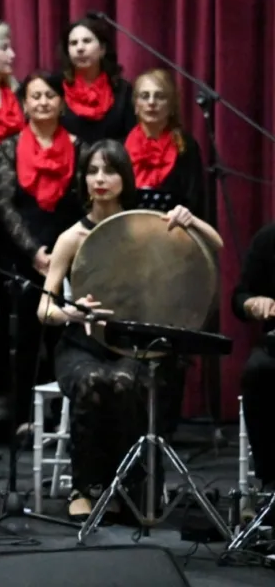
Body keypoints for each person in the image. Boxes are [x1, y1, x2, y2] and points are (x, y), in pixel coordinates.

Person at [37, 139, 221, 521]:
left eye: (110, 171)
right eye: (92, 171)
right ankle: (86, 487)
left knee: (123, 382)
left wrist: (191, 220)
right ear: (83, 180)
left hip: (133, 343)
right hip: (82, 345)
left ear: (125, 177)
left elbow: (215, 245)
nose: (100, 179)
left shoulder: (146, 227)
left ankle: (127, 487)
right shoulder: (71, 238)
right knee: (93, 382)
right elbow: (44, 308)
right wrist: (73, 314)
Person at [233, 220, 275, 494]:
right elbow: (240, 296)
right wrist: (252, 303)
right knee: (258, 371)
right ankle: (271, 479)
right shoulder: (269, 238)